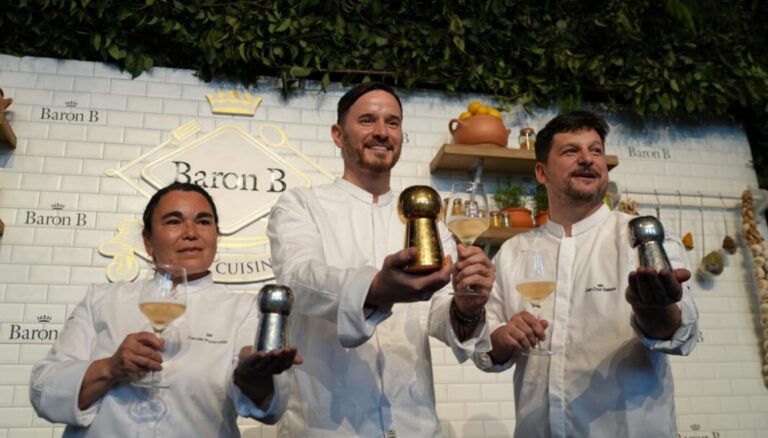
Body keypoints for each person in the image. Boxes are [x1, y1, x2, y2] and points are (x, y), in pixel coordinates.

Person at [266, 82, 495, 437]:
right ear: (338, 135)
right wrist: (375, 289)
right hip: (326, 426)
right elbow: (298, 279)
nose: (381, 132)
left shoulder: (426, 219)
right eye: (367, 120)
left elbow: (438, 311)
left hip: (414, 425)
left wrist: (468, 304)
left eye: (392, 122)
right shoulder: (301, 205)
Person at [473, 110, 699, 437]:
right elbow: (485, 347)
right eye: (571, 151)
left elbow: (681, 335)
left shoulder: (641, 238)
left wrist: (654, 308)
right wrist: (503, 337)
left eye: (595, 151)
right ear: (541, 172)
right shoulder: (513, 252)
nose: (587, 159)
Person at [30, 182, 301, 437]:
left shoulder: (245, 309)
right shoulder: (102, 300)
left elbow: (270, 409)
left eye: (203, 221)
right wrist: (110, 368)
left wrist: (250, 374)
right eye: (173, 221)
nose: (191, 232)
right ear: (148, 240)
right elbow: (43, 390)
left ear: (216, 237)